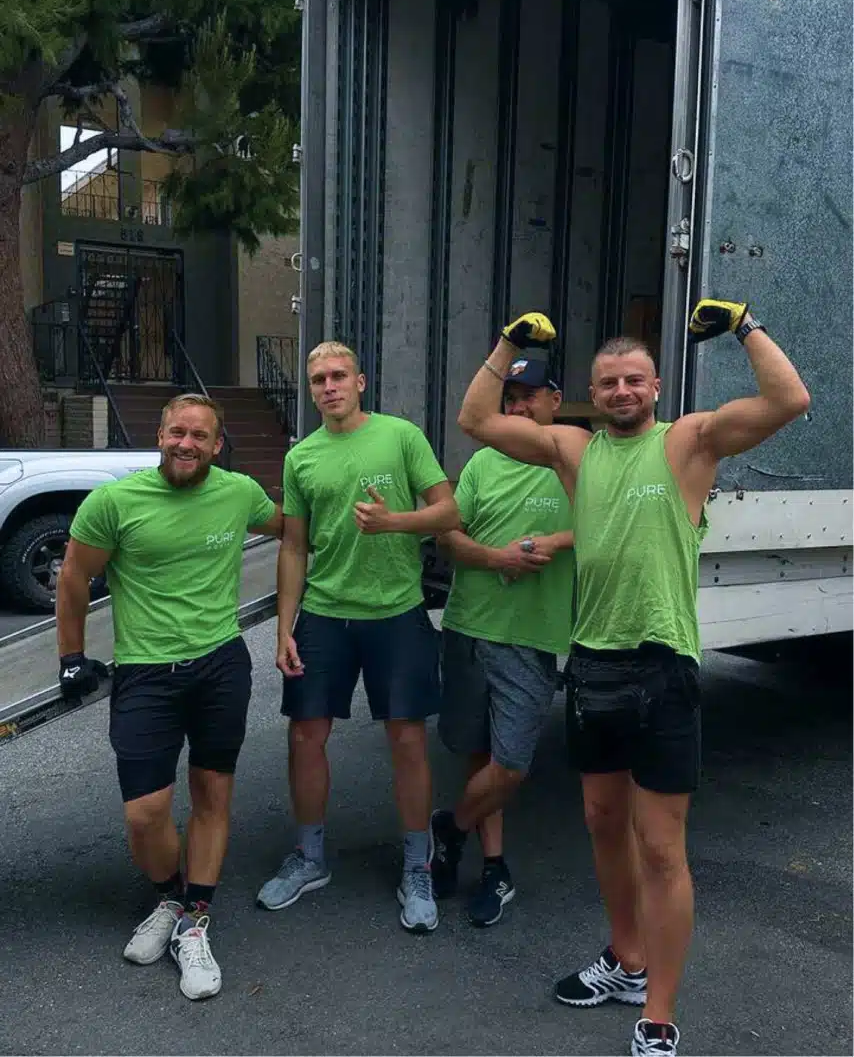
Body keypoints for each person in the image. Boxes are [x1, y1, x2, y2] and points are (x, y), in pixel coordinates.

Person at [457, 303, 810, 1055]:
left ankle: (658, 1013)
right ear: (592, 393)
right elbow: (476, 420)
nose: (622, 391)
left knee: (660, 848)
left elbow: (789, 400)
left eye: (634, 380)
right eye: (609, 382)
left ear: (655, 388)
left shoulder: (689, 441)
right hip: (592, 662)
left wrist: (745, 325)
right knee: (602, 823)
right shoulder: (572, 449)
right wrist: (510, 342)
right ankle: (626, 958)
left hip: (662, 664)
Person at [56, 393, 283, 1001]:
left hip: (221, 666)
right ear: (159, 436)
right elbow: (74, 574)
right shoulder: (115, 502)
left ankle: (193, 921)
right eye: (177, 432)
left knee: (212, 794)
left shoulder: (239, 492)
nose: (187, 444)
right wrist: (71, 657)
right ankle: (170, 897)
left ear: (217, 444)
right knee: (145, 812)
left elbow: (291, 527)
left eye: (200, 436)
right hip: (146, 672)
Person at [256, 341, 460, 933]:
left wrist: (397, 521)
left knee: (408, 741)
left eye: (338, 375)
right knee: (305, 736)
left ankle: (417, 864)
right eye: (318, 379)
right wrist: (284, 628)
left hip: (397, 612)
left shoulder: (400, 436)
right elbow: (294, 547)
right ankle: (309, 856)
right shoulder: (302, 457)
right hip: (325, 614)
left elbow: (449, 513)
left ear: (361, 381)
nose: (329, 386)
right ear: (311, 390)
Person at [430, 358, 577, 927]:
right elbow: (449, 537)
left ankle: (451, 828)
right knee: (478, 753)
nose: (517, 406)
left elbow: (611, 524)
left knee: (510, 763)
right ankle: (493, 866)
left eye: (529, 396)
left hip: (531, 635)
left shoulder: (574, 459)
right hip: (468, 626)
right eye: (509, 397)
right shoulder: (482, 462)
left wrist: (556, 541)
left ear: (555, 402)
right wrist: (497, 558)